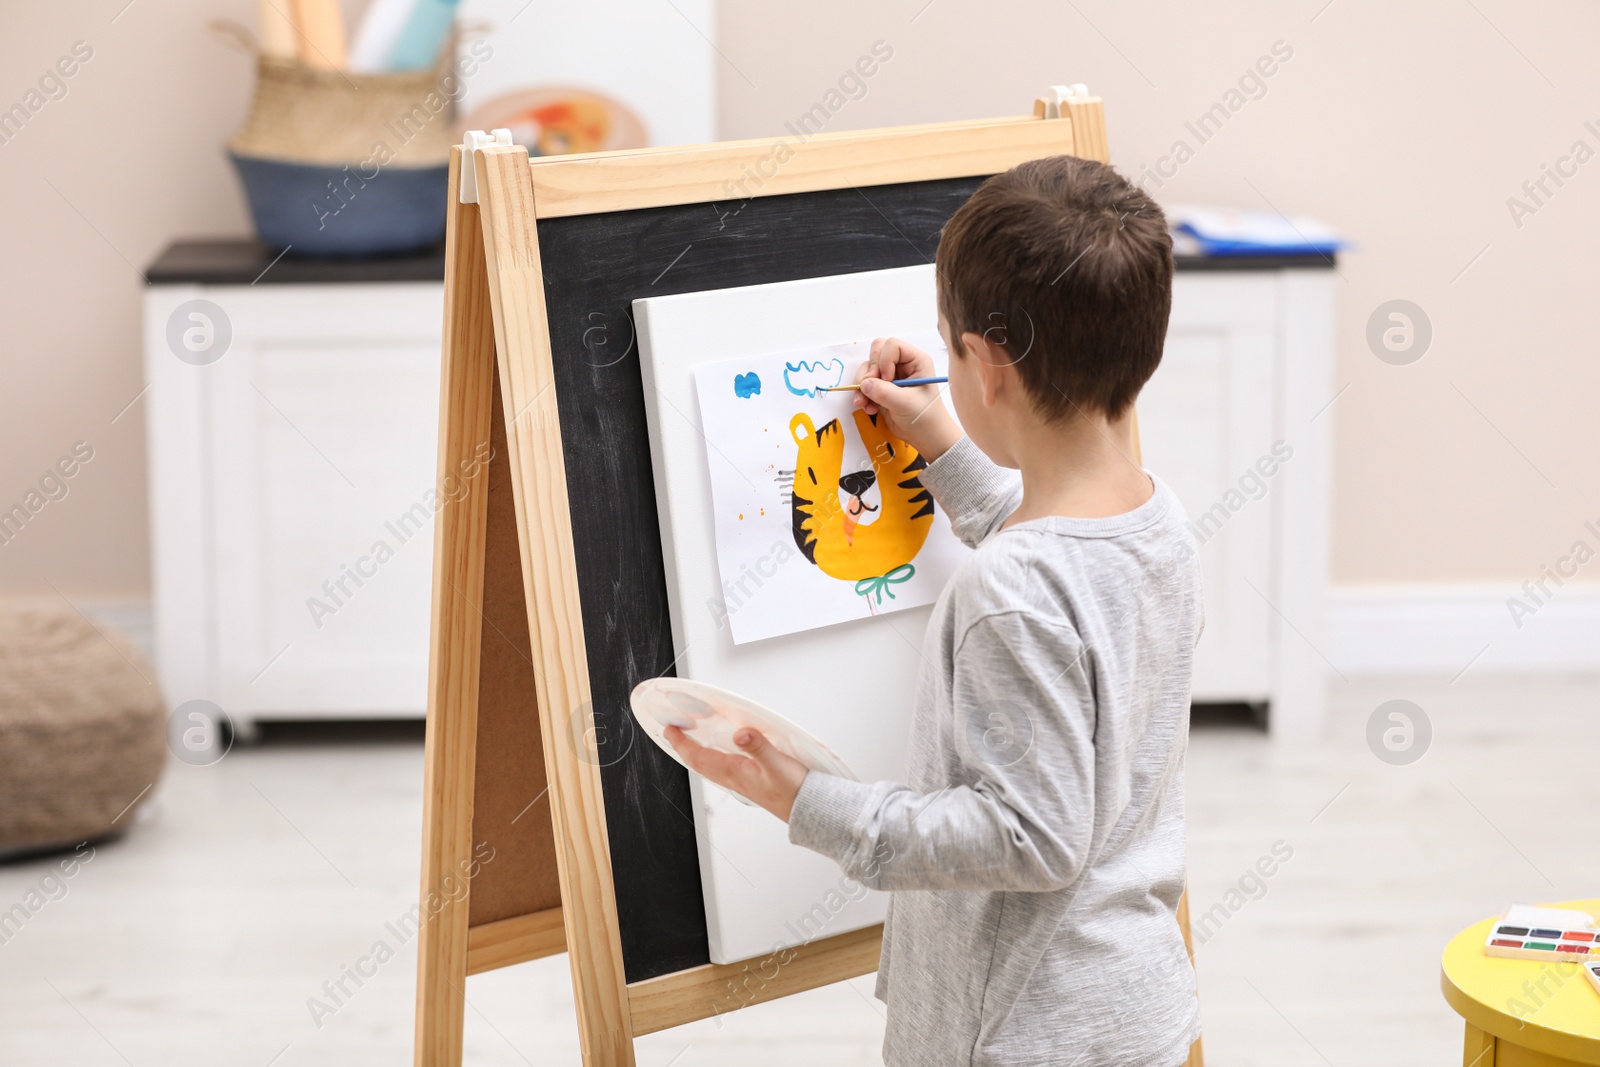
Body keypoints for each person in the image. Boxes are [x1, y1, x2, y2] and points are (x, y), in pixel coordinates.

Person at [667, 153, 1202, 1067]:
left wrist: (806, 798)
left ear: (988, 366)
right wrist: (946, 446)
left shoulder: (1009, 592)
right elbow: (1054, 562)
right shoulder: (1157, 518)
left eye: (951, 345)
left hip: (1019, 1033)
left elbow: (1031, 836)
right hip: (1131, 1002)